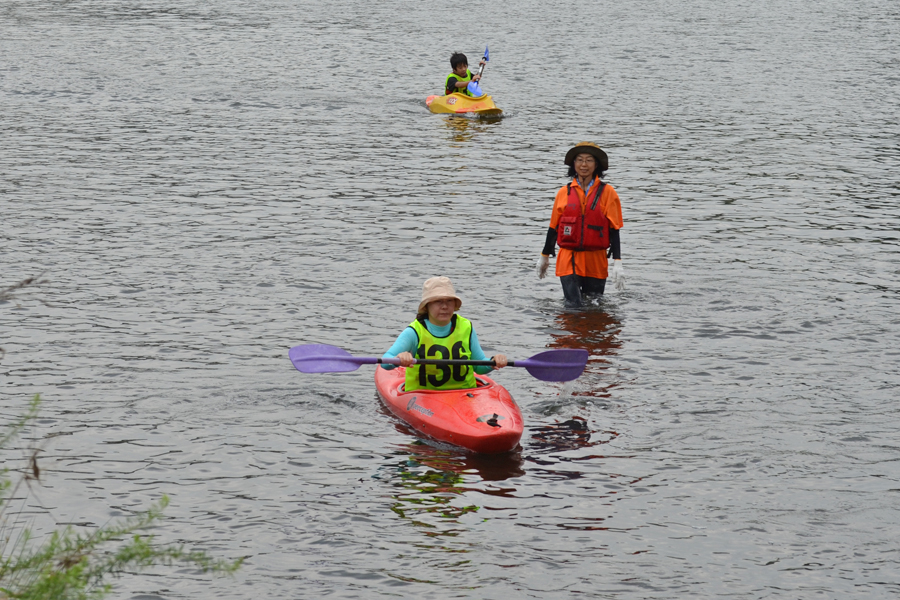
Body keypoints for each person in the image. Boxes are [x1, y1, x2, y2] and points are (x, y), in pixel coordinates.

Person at [537, 142, 624, 307]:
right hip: (568, 259)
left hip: (596, 260)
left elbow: (614, 229)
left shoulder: (608, 193)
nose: (584, 164)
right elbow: (554, 227)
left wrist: (617, 262)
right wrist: (544, 256)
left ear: (596, 165)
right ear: (573, 164)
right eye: (579, 160)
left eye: (589, 160)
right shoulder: (564, 192)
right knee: (573, 306)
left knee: (594, 307)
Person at [382, 276, 507, 391]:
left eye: (449, 301)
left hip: (464, 393)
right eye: (438, 301)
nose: (444, 306)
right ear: (427, 306)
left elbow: (479, 366)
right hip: (425, 395)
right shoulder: (414, 332)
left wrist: (493, 361)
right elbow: (384, 363)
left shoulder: (466, 327)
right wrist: (398, 359)